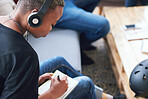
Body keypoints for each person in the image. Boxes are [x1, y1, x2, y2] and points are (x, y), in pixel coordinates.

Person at [0, 0, 126, 98]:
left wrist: (30, 83)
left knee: (58, 62)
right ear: (35, 18)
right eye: (52, 24)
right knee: (85, 83)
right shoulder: (25, 56)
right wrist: (52, 94)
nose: (50, 30)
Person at [53, 0, 110, 65]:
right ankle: (81, 45)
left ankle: (83, 30)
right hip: (54, 7)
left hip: (63, 1)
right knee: (103, 25)